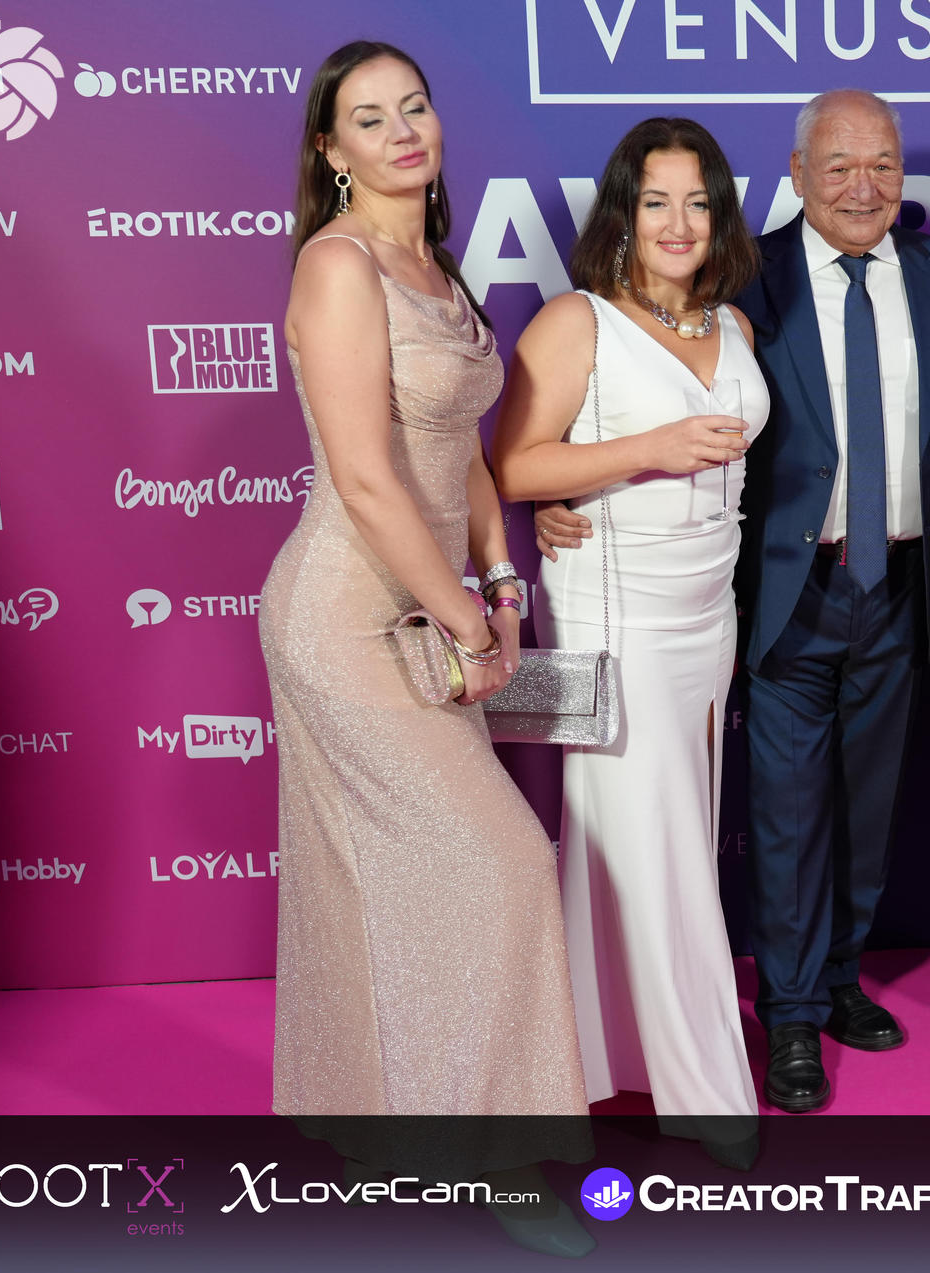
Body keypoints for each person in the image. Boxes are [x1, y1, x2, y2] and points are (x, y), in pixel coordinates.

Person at [259, 41, 591, 1256]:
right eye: (368, 118)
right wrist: (465, 618)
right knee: (500, 862)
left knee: (366, 883)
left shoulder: (435, 267)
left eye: (414, 107)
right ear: (331, 150)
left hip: (435, 604)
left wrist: (502, 582)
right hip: (345, 615)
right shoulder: (338, 264)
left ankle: (380, 1127)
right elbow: (364, 475)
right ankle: (500, 1159)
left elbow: (461, 461)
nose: (401, 130)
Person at [492, 117, 765, 1143]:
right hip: (618, 612)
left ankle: (595, 1055)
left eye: (697, 202)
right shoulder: (578, 322)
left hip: (708, 611)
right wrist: (646, 449)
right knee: (657, 847)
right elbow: (515, 464)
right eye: (656, 201)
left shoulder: (733, 326)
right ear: (622, 211)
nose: (678, 222)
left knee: (653, 838)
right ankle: (703, 1091)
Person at [735, 89, 930, 1112]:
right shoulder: (743, 272)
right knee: (788, 812)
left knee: (869, 803)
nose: (862, 186)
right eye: (837, 165)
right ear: (796, 174)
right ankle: (792, 1012)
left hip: (902, 587)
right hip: (791, 588)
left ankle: (839, 975)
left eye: (881, 164)